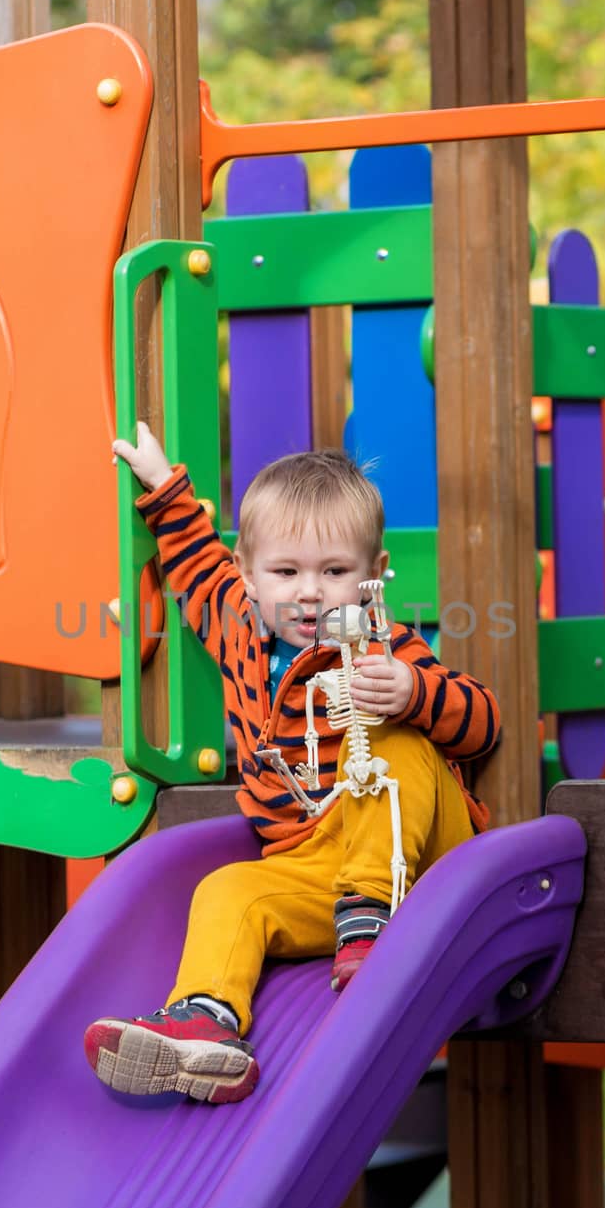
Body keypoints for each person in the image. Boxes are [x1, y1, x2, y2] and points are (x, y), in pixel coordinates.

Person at [83, 423, 500, 1104]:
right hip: (313, 872)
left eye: (334, 572)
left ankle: (372, 921)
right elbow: (193, 561)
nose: (309, 592)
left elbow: (482, 724)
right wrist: (162, 487)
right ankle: (207, 1022)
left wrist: (412, 692)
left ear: (373, 574)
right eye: (285, 572)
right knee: (227, 890)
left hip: (418, 863)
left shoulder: (382, 647)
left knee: (395, 743)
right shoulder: (236, 625)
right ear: (248, 575)